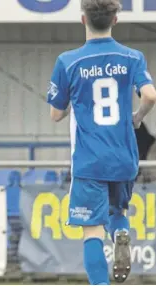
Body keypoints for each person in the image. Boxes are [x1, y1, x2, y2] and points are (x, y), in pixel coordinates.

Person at [47, 0, 156, 284]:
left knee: (91, 230)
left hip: (89, 160)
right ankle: (120, 232)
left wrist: (74, 97)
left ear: (82, 19)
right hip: (124, 156)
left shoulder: (68, 61)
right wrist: (138, 116)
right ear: (116, 19)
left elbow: (56, 114)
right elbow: (150, 95)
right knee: (117, 210)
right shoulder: (132, 57)